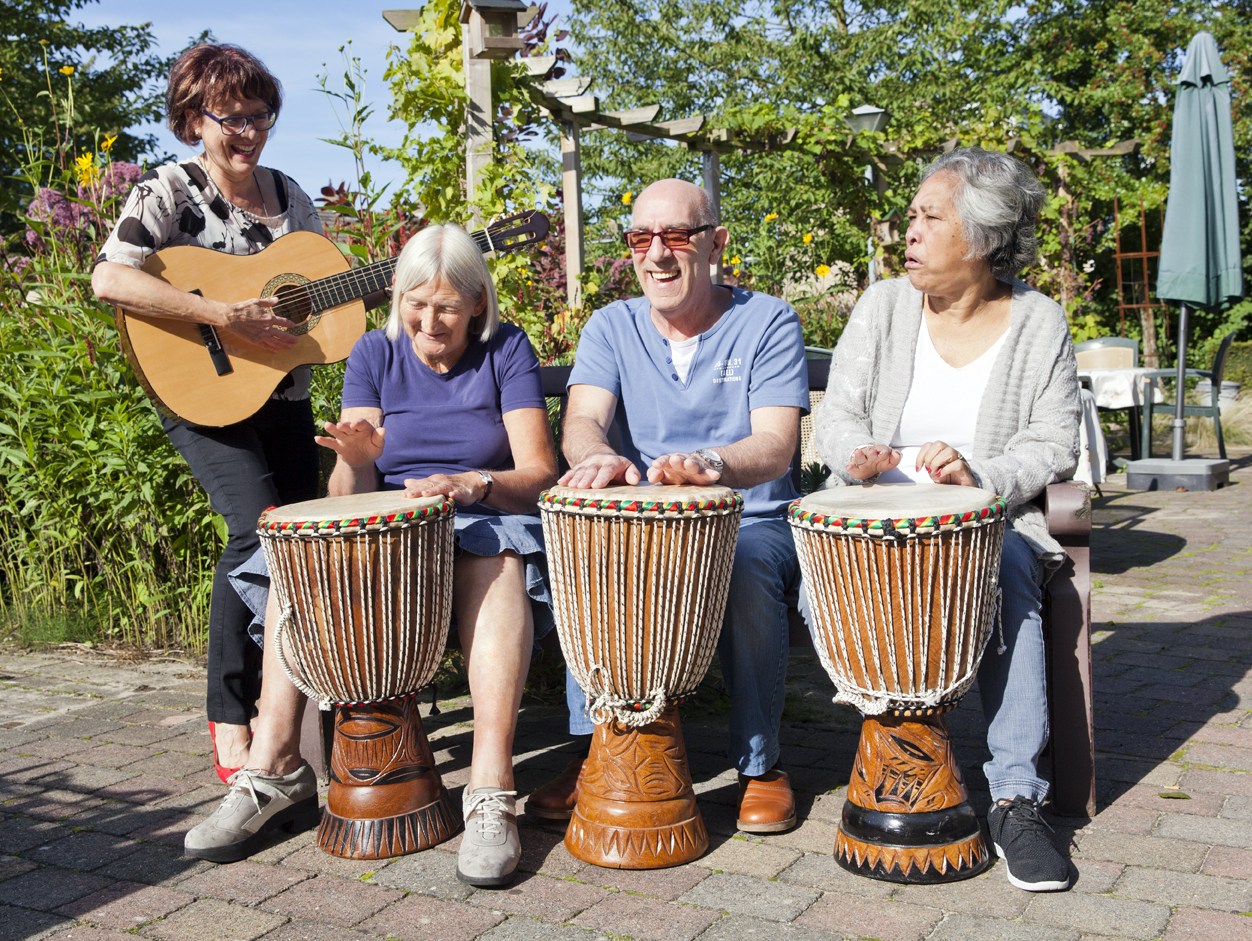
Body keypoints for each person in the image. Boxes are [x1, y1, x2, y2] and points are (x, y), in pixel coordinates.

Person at [182, 223, 560, 887]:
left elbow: (538, 472)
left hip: (477, 517)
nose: (429, 320)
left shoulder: (505, 349)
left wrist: (480, 483)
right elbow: (344, 496)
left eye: (446, 305)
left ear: (478, 302)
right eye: (416, 302)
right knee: (300, 562)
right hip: (389, 529)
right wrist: (358, 461)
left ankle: (490, 789)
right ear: (396, 297)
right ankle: (272, 770)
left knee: (500, 564)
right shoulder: (373, 353)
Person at [814, 146, 1081, 892]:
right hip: (874, 523)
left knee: (1004, 572)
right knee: (818, 579)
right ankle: (894, 747)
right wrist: (857, 455)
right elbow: (835, 419)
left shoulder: (1036, 321)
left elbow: (1053, 441)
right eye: (910, 216)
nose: (910, 231)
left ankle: (1015, 798)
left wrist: (979, 476)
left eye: (930, 218)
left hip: (986, 526)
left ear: (985, 236)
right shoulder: (882, 306)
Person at [525, 178, 810, 833]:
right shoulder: (611, 325)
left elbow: (773, 444)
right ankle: (596, 749)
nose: (657, 254)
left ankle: (760, 767)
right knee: (589, 557)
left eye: (677, 236)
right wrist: (594, 455)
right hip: (645, 524)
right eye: (640, 238)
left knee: (742, 569)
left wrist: (713, 466)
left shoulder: (766, 319)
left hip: (749, 520)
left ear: (715, 243)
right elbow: (583, 422)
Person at [92, 44, 331, 783]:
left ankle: (287, 705)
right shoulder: (169, 191)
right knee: (251, 530)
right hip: (199, 390)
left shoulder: (290, 195)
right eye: (231, 118)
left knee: (299, 543)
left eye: (259, 116)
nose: (248, 132)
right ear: (195, 119)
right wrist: (222, 314)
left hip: (282, 394)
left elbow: (321, 286)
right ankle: (230, 717)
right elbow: (109, 277)